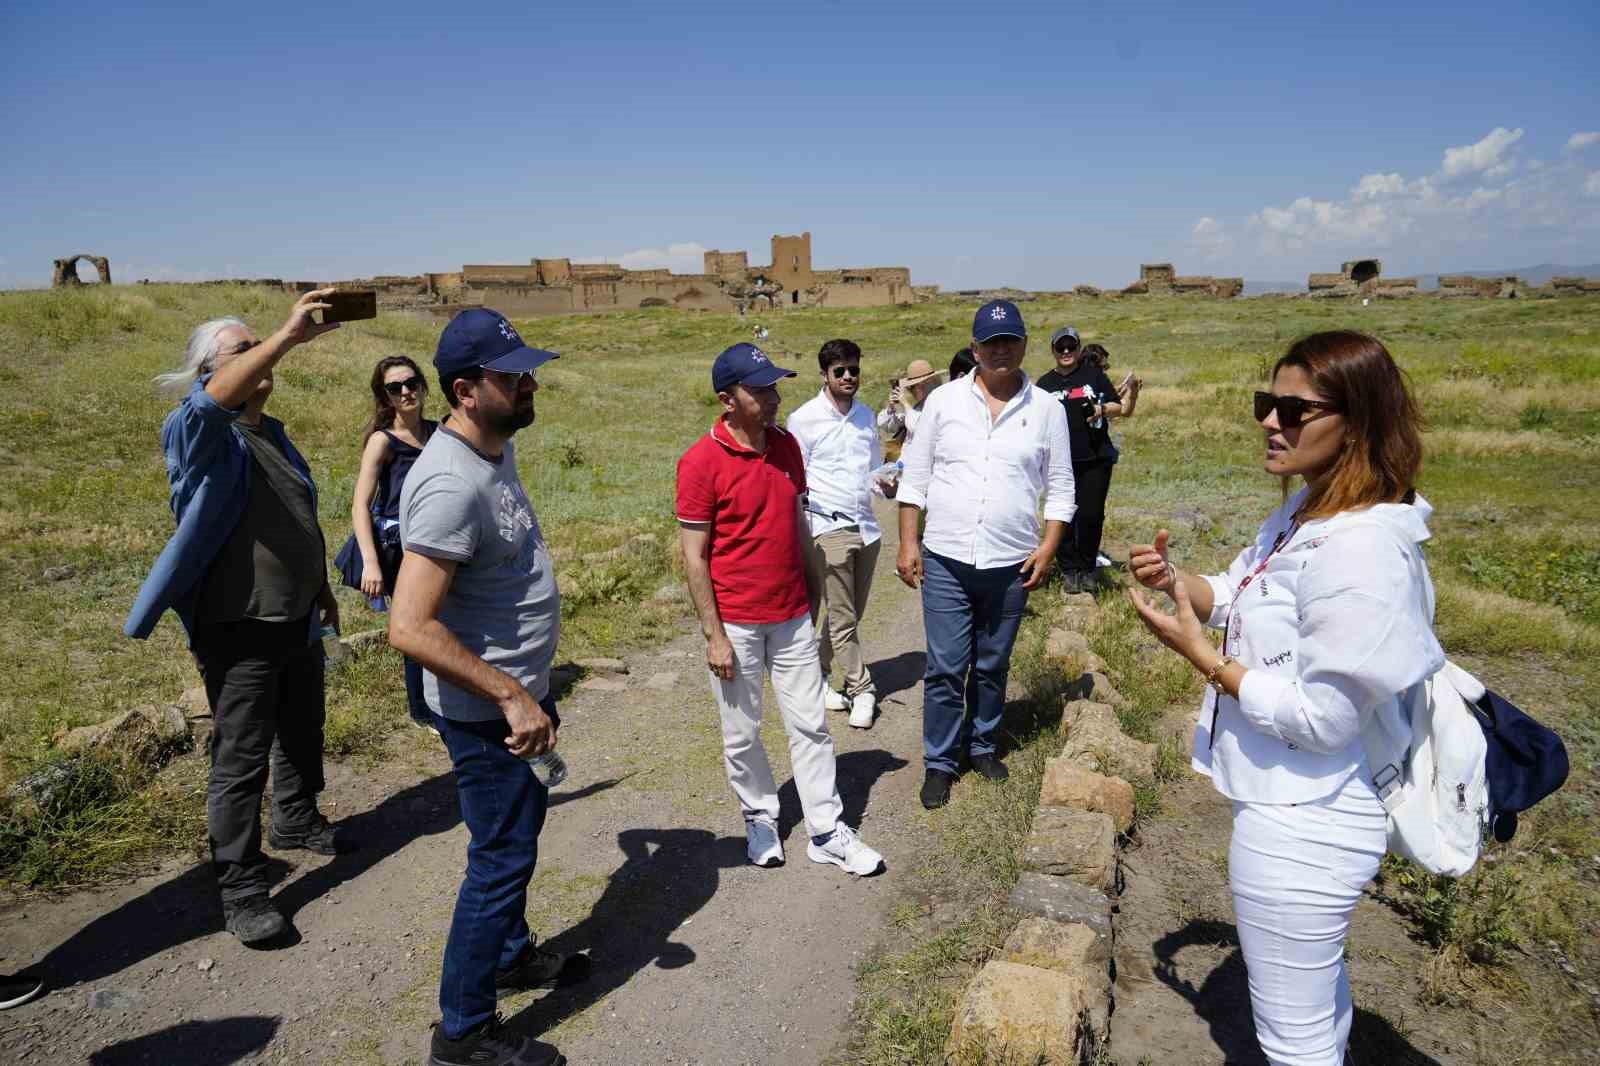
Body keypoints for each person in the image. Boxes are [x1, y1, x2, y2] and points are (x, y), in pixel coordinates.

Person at [1126, 330, 1438, 1066]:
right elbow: (1238, 591)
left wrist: (1205, 660)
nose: (1271, 421)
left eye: (1294, 410)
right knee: (1315, 1019)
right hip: (1290, 802)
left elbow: (1326, 720)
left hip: (1306, 823)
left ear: (1357, 422)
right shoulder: (1307, 511)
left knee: (1293, 1046)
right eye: (1267, 403)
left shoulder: (1359, 549)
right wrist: (1182, 585)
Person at [388, 309, 585, 1066]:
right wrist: (509, 694)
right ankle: (462, 1034)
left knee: (514, 841)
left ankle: (509, 956)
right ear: (467, 390)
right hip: (490, 714)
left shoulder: (491, 448)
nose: (531, 382)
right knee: (499, 858)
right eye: (514, 375)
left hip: (517, 698)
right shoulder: (445, 483)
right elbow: (409, 626)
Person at [125, 289, 350, 946]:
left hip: (296, 613)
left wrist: (321, 590)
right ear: (209, 373)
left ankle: (297, 819)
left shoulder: (270, 432)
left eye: (258, 348)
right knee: (242, 753)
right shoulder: (197, 432)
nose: (259, 358)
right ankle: (242, 885)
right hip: (239, 621)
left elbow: (295, 514)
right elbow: (205, 408)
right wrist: (286, 336)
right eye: (242, 351)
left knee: (302, 727)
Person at [676, 342, 885, 875]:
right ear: (728, 399)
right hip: (737, 623)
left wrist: (812, 595)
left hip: (791, 615)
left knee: (811, 725)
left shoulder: (788, 447)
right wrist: (713, 635)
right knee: (742, 731)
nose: (773, 397)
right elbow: (695, 558)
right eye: (760, 389)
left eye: (774, 386)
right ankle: (760, 817)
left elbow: (796, 524)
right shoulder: (700, 463)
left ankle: (824, 829)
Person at [896, 300, 1075, 810]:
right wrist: (909, 542)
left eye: (1010, 342)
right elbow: (916, 477)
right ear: (974, 348)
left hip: (1010, 562)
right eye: (990, 343)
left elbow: (1060, 486)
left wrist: (1049, 546)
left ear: (1023, 345)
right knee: (947, 667)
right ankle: (940, 761)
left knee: (993, 664)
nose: (1001, 351)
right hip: (948, 558)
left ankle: (982, 746)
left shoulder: (1047, 410)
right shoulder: (944, 403)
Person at [787, 338, 897, 729]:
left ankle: (815, 675)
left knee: (850, 614)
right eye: (840, 371)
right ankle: (862, 688)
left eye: (854, 370)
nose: (849, 377)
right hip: (828, 526)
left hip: (866, 526)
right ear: (825, 375)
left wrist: (885, 483)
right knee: (843, 616)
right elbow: (795, 479)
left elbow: (871, 470)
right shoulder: (803, 419)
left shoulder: (867, 416)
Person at [345, 355, 436, 728]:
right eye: (395, 387)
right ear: (384, 397)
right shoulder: (382, 442)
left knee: (444, 619)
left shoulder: (439, 432)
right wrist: (370, 562)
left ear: (422, 385)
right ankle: (422, 711)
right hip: (398, 547)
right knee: (414, 625)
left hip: (437, 542)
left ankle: (449, 696)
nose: (405, 392)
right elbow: (359, 505)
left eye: (411, 383)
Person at [1036, 328, 1132, 592]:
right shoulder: (1044, 385)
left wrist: (1100, 409)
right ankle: (1068, 569)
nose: (1066, 352)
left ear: (1078, 348)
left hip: (1095, 457)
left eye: (1071, 346)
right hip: (1059, 462)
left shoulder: (1094, 376)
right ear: (1053, 351)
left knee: (1091, 515)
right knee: (1062, 515)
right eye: (1060, 347)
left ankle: (1087, 568)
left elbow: (1118, 406)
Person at [877, 358, 940, 444]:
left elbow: (919, 428)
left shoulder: (937, 405)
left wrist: (905, 404)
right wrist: (891, 408)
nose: (910, 391)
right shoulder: (917, 406)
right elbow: (887, 426)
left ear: (921, 386)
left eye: (911, 387)